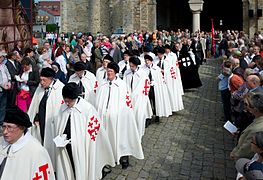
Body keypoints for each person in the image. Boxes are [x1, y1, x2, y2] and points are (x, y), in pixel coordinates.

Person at [54, 82, 115, 180]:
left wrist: (79, 141)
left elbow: (94, 133)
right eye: (65, 100)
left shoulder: (87, 109)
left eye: (69, 101)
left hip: (81, 147)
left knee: (80, 168)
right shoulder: (63, 107)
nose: (67, 103)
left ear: (74, 98)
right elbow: (60, 124)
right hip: (65, 145)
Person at [95, 61, 144, 169]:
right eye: (107, 71)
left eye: (111, 71)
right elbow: (98, 100)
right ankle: (107, 158)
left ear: (116, 72)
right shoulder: (102, 84)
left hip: (118, 118)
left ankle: (124, 158)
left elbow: (126, 103)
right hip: (104, 118)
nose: (108, 73)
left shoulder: (121, 85)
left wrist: (120, 114)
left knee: (121, 137)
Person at [0, 106, 55, 180]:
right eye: (3, 127)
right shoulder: (1, 141)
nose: (5, 132)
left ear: (21, 128)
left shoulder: (36, 151)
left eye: (9, 127)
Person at [27, 67, 64, 166]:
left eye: (44, 80)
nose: (41, 82)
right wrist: (35, 116)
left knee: (51, 144)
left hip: (52, 124)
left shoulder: (60, 89)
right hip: (41, 121)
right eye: (40, 79)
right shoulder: (40, 88)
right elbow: (35, 104)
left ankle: (53, 164)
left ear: (51, 79)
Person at [123, 56, 152, 138]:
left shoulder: (142, 74)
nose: (131, 67)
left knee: (139, 116)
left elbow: (143, 86)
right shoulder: (127, 72)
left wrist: (135, 95)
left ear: (136, 65)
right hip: (128, 98)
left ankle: (138, 135)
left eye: (133, 66)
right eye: (130, 65)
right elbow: (125, 84)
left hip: (139, 98)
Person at [230, 93, 263, 160]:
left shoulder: (256, 128)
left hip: (245, 158)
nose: (247, 107)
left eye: (249, 106)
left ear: (256, 110)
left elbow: (246, 147)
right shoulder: (257, 119)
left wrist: (236, 154)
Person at [142, 54, 172, 125]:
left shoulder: (156, 69)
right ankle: (148, 117)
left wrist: (155, 82)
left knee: (156, 101)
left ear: (151, 61)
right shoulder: (142, 69)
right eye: (145, 61)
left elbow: (160, 79)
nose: (147, 62)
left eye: (148, 61)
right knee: (148, 102)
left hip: (155, 88)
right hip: (147, 88)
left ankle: (157, 114)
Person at [0, 51, 11, 125]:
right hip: (1, 88)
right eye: (2, 57)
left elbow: (8, 73)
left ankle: (1, 121)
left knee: (3, 106)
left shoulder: (3, 65)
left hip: (5, 88)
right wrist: (2, 85)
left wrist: (9, 81)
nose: (3, 58)